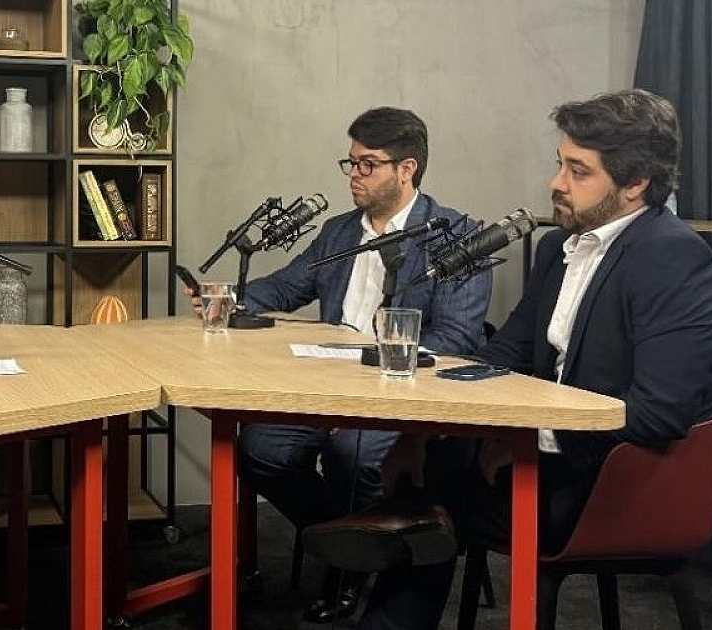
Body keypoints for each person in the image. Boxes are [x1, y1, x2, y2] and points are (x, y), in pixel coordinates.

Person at [303, 89, 712, 629]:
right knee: (431, 473)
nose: (557, 182)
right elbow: (503, 353)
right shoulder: (559, 249)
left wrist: (530, 438)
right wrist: (420, 430)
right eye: (560, 164)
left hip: (621, 484)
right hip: (558, 463)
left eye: (578, 171)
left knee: (434, 502)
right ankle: (391, 529)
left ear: (635, 183)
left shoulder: (672, 258)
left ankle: (384, 529)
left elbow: (657, 414)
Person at [188, 107, 492, 621]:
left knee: (355, 455)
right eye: (350, 163)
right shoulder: (339, 232)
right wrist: (228, 298)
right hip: (325, 384)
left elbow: (457, 338)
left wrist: (377, 363)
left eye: (367, 164)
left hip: (400, 392)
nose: (354, 175)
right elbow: (287, 286)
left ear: (407, 169)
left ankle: (352, 565)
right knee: (261, 449)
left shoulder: (458, 236)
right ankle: (346, 545)